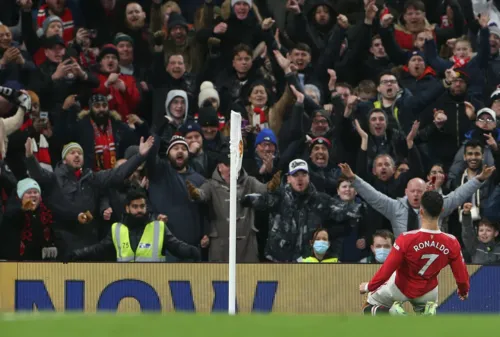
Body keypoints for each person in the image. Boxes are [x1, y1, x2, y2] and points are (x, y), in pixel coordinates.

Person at [349, 184, 470, 316]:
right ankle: (426, 312)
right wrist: (463, 291)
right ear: (441, 210)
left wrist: (368, 286)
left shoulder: (406, 239)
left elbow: (386, 270)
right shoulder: (452, 242)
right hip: (428, 292)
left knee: (367, 308)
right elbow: (461, 275)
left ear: (421, 211)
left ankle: (393, 314)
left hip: (400, 288)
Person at [66, 189, 201, 262]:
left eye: (142, 206)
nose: (139, 210)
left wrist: (191, 250)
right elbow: (99, 249)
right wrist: (78, 254)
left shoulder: (158, 227)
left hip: (155, 283)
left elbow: (176, 246)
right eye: (135, 207)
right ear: (127, 208)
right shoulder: (116, 229)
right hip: (126, 285)